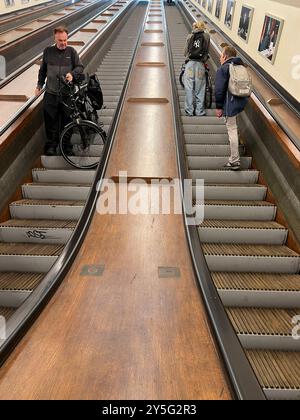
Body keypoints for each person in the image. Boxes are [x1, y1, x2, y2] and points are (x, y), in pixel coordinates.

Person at [35, 26, 84, 156]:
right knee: (50, 121)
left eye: (65, 40)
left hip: (67, 94)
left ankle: (66, 146)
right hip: (51, 93)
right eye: (60, 40)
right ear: (55, 38)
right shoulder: (48, 52)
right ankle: (51, 146)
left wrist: (72, 74)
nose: (63, 43)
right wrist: (39, 84)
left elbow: (80, 67)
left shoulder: (72, 52)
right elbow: (43, 70)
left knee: (67, 121)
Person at [215, 46, 249, 170]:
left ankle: (235, 160)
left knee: (232, 129)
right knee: (234, 126)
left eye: (221, 55)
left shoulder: (223, 68)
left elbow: (219, 90)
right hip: (240, 101)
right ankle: (236, 153)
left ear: (225, 56)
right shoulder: (240, 66)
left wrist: (219, 107)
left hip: (230, 102)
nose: (219, 58)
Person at [183, 21, 210, 117]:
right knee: (200, 88)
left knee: (189, 88)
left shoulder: (190, 36)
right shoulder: (206, 36)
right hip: (200, 66)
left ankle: (189, 111)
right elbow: (206, 51)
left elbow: (185, 52)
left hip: (190, 65)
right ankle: (199, 111)